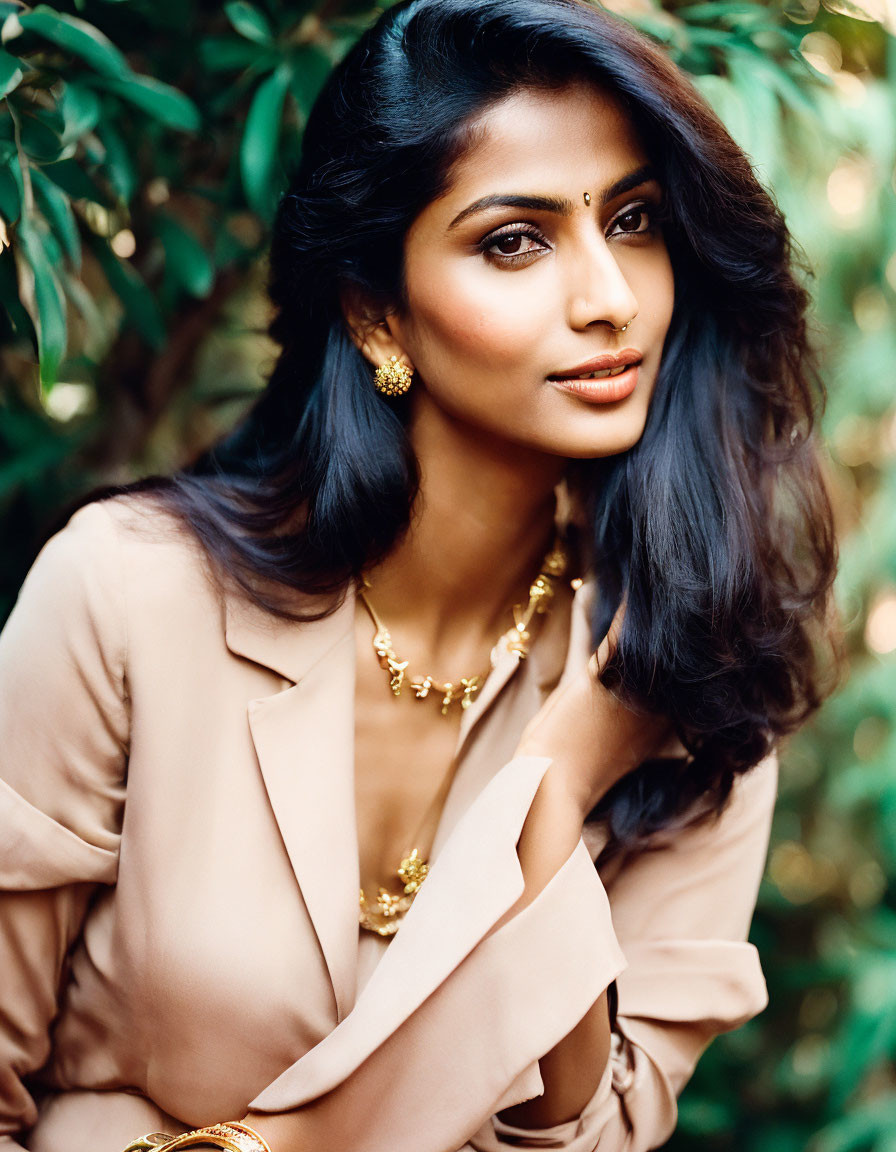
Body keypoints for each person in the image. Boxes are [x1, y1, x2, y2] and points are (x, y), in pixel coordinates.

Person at [0, 0, 837, 1150]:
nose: (610, 297)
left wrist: (552, 784)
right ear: (375, 312)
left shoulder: (689, 670)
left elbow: (579, 1143)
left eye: (634, 220)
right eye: (514, 239)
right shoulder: (127, 597)